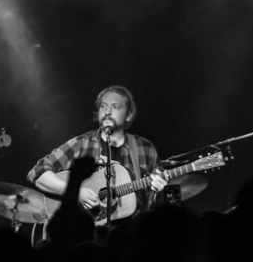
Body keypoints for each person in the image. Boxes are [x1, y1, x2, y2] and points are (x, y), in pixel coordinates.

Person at [27, 85, 167, 224]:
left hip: (131, 235)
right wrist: (76, 192)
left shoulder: (145, 149)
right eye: (103, 106)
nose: (107, 112)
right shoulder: (82, 144)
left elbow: (160, 206)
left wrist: (160, 193)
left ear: (129, 115)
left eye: (115, 107)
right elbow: (38, 172)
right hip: (87, 235)